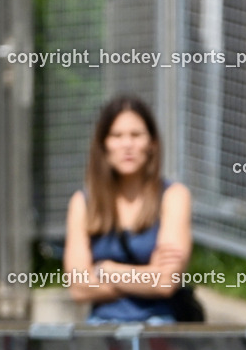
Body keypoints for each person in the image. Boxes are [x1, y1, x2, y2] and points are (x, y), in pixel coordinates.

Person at [64, 95, 192, 323]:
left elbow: (165, 283)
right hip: (101, 329)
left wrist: (105, 270)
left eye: (136, 135)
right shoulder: (83, 202)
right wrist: (145, 277)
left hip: (159, 328)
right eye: (117, 135)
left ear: (152, 143)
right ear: (103, 144)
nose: (127, 145)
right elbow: (77, 287)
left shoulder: (173, 196)